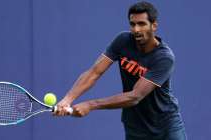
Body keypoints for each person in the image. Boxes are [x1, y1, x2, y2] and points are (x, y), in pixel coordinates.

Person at [54, 1, 186, 139]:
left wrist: (91, 105)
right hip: (135, 127)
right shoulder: (122, 41)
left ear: (154, 26)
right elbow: (94, 72)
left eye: (141, 24)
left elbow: (135, 96)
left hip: (167, 128)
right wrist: (67, 99)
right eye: (133, 24)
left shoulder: (164, 58)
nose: (136, 30)